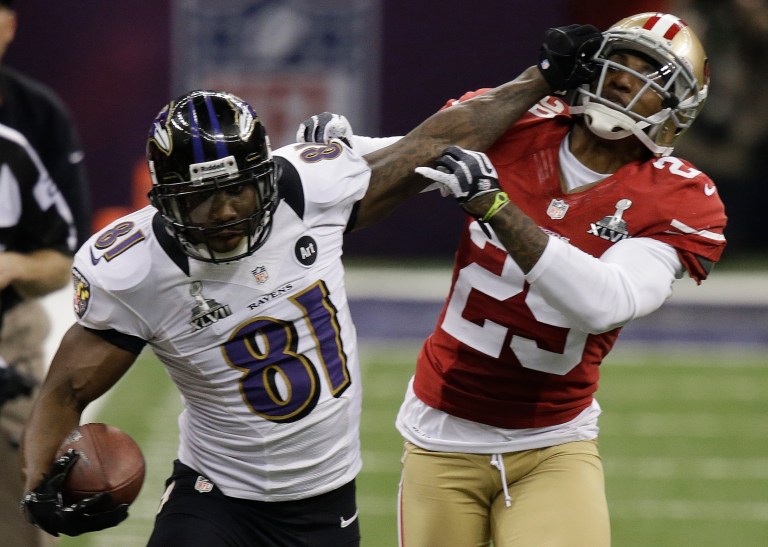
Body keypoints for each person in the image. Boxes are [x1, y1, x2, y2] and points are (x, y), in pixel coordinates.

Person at [17, 24, 603, 545]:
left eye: (236, 190)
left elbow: (436, 140)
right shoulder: (137, 268)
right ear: (166, 200)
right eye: (199, 198)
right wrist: (38, 484)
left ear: (266, 176)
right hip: (214, 497)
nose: (222, 213)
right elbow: (65, 388)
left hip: (325, 504)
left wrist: (540, 78)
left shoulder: (309, 189)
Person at [394, 12, 726, 547]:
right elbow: (406, 155)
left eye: (648, 74)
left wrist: (496, 207)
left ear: (676, 108)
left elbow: (606, 302)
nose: (624, 79)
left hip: (552, 441)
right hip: (441, 431)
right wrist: (334, 154)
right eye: (619, 62)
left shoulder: (679, 197)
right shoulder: (516, 126)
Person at [0, 2, 91, 544]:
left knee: (27, 499)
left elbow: (64, 256)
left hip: (10, 329)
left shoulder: (21, 138)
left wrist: (12, 266)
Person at [0, 121, 76, 547]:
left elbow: (58, 264)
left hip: (8, 346)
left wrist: (14, 266)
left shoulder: (10, 152)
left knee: (25, 524)